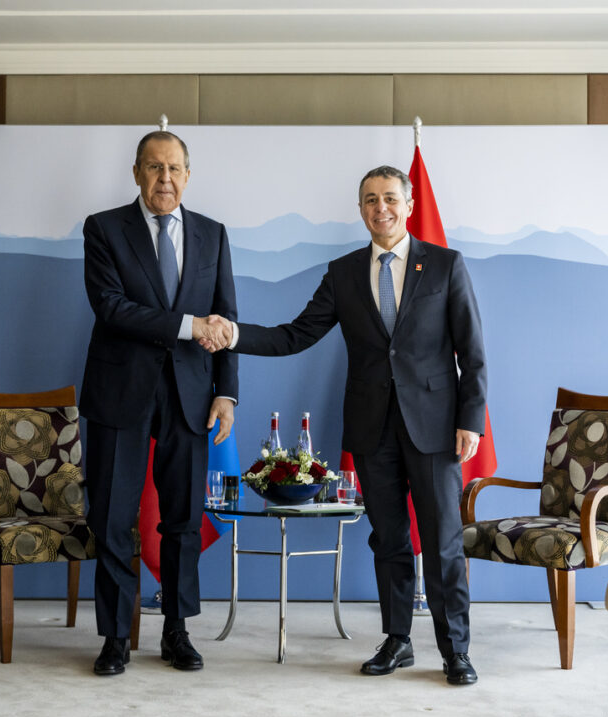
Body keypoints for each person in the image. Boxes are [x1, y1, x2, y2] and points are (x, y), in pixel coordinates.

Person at [198, 165, 486, 685]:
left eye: (391, 198)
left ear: (409, 203)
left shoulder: (445, 265)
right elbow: (295, 334)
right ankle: (397, 641)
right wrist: (235, 333)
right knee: (390, 540)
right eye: (371, 200)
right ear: (361, 210)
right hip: (372, 429)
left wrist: (471, 420)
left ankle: (455, 652)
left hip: (436, 429)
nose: (382, 208)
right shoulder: (344, 272)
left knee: (443, 543)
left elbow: (474, 352)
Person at [80, 130, 238, 676]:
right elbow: (111, 308)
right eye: (153, 168)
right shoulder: (103, 229)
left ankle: (177, 631)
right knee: (113, 519)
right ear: (136, 173)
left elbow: (226, 319)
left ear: (188, 175)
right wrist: (188, 326)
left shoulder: (213, 234)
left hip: (191, 396)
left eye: (173, 168)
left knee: (183, 522)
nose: (164, 178)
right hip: (119, 394)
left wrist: (225, 392)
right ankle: (116, 638)